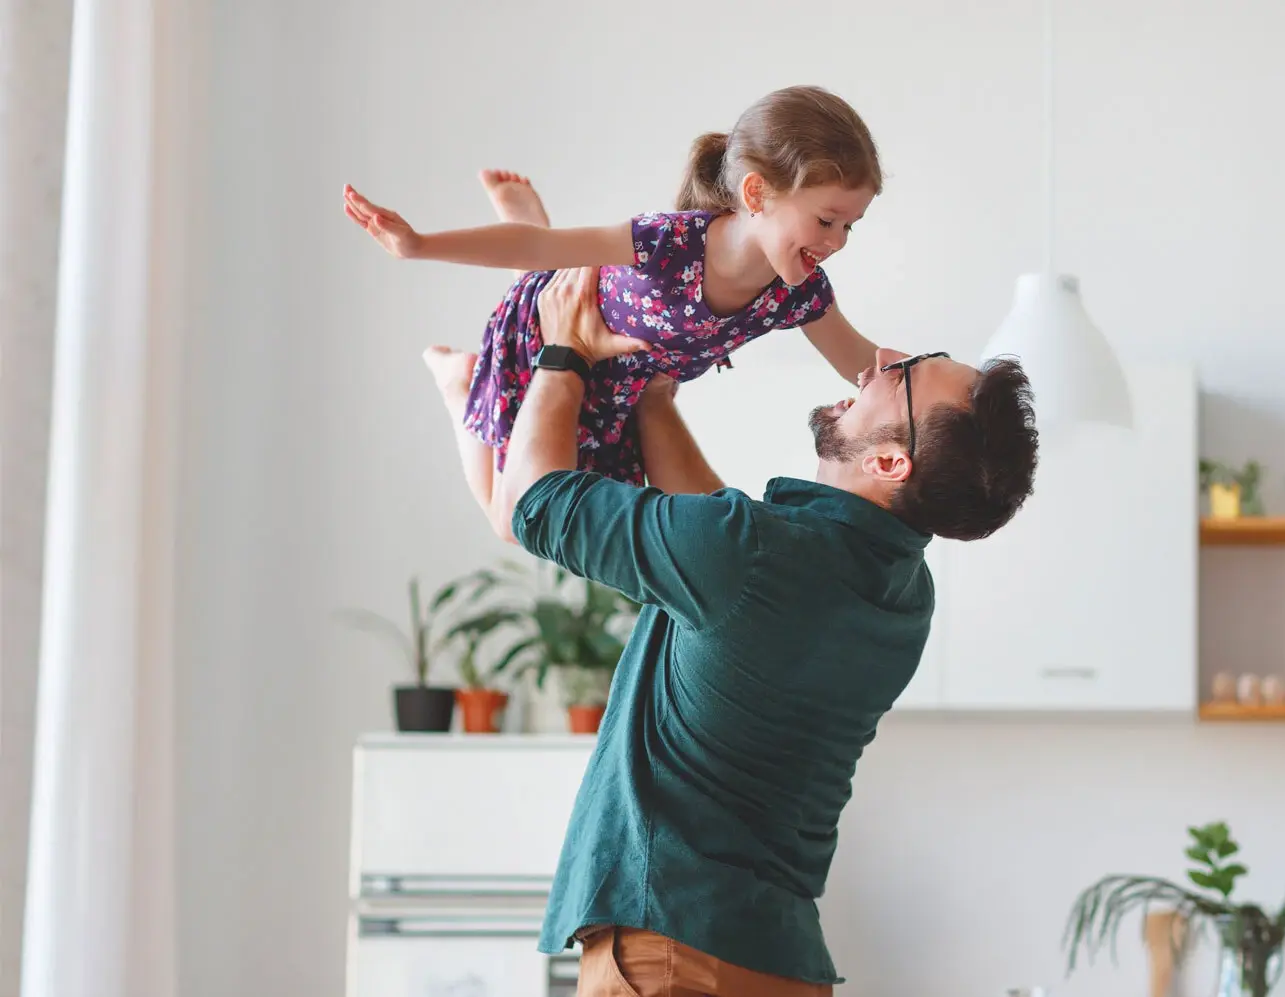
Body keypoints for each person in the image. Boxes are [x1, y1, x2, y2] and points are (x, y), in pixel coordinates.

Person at [440, 258, 1038, 996]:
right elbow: (728, 565)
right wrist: (654, 400)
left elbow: (534, 503)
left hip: (672, 958)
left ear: (890, 459)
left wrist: (562, 350)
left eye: (904, 374)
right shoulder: (902, 594)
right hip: (776, 963)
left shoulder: (752, 554)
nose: (879, 359)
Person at [343, 84, 886, 517]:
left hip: (617, 394)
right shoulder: (669, 243)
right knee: (514, 522)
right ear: (756, 194)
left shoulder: (799, 294)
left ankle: (524, 214)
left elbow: (868, 365)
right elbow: (542, 249)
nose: (836, 242)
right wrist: (418, 245)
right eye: (825, 220)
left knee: (559, 520)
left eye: (849, 226)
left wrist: (969, 388)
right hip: (549, 338)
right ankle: (458, 384)